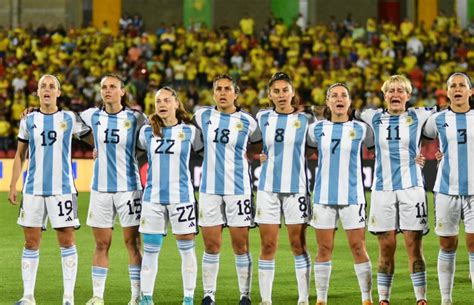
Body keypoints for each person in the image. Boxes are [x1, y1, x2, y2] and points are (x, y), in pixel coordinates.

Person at [8, 74, 91, 305]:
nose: (47, 89)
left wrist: (99, 149)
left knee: (67, 241)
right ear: (37, 92)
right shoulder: (28, 120)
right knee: (31, 242)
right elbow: (19, 155)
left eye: (51, 86)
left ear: (58, 93)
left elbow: (92, 137)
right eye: (43, 86)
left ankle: (68, 298)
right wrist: (13, 184)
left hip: (62, 190)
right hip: (32, 190)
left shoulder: (68, 118)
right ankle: (28, 297)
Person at [358, 75, 434, 305]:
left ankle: (421, 299)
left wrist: (439, 155)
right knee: (386, 247)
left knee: (413, 245)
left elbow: (451, 118)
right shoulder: (372, 117)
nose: (395, 94)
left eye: (400, 90)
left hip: (413, 189)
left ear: (408, 96)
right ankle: (384, 299)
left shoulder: (420, 115)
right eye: (390, 90)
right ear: (384, 95)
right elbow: (341, 111)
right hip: (382, 191)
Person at [193, 74, 262, 305]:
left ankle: (245, 295)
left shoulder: (248, 121)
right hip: (209, 189)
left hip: (239, 189)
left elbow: (264, 142)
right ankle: (209, 294)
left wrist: (262, 156)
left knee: (240, 244)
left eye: (227, 89)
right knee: (211, 244)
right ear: (213, 93)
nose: (223, 93)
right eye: (218, 89)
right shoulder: (202, 115)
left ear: (236, 93)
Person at [80, 74, 147, 305]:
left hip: (129, 188)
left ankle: (136, 296)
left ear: (122, 91)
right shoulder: (91, 115)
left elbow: (150, 142)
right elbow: (67, 121)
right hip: (100, 189)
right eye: (104, 87)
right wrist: (96, 146)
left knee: (132, 243)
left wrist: (136, 159)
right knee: (101, 244)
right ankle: (98, 296)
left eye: (113, 87)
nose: (108, 91)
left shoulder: (136, 118)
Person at [307, 83, 374, 305]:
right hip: (323, 197)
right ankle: (321, 299)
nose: (339, 99)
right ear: (327, 102)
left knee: (358, 247)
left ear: (349, 101)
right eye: (334, 95)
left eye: (343, 95)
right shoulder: (316, 129)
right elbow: (300, 151)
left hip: (352, 197)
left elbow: (379, 150)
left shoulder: (361, 129)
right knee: (324, 248)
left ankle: (367, 298)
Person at [137, 87, 203, 305]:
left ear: (176, 103)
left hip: (182, 198)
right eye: (158, 101)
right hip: (152, 199)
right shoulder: (146, 132)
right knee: (150, 251)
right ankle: (146, 298)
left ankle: (188, 298)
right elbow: (131, 154)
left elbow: (207, 154)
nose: (162, 105)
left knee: (186, 250)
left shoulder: (190, 132)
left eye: (166, 100)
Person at [255, 72, 313, 305]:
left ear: (292, 93)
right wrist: (260, 156)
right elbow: (250, 143)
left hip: (296, 189)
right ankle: (266, 300)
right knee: (268, 244)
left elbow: (312, 148)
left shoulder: (307, 120)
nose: (281, 95)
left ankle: (303, 298)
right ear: (270, 95)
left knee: (298, 244)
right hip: (267, 189)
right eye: (276, 91)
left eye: (285, 90)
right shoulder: (262, 118)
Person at [423, 72, 474, 305]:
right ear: (448, 91)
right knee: (447, 244)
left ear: (470, 91)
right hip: (445, 189)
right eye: (453, 85)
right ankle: (446, 300)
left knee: (473, 244)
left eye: (462, 85)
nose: (457, 89)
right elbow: (419, 139)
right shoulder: (438, 119)